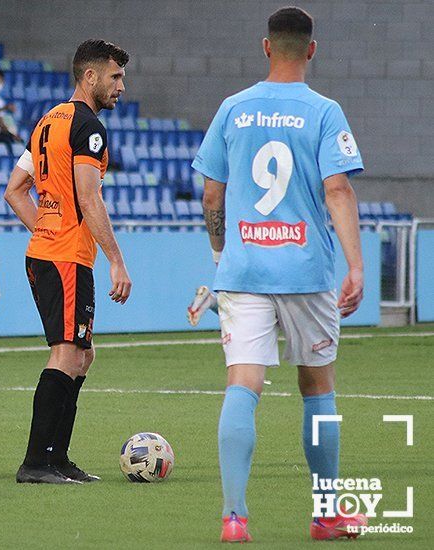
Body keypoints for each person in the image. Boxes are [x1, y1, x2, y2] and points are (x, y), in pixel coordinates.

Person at [191, 7, 367, 543]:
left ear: (266, 47)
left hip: (243, 268)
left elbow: (212, 192)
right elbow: (338, 189)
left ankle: (234, 517)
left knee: (244, 382)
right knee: (317, 385)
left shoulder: (233, 108)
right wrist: (355, 264)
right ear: (311, 50)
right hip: (306, 270)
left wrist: (222, 251)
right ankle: (326, 514)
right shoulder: (324, 111)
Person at [4, 40, 132, 484]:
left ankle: (56, 457)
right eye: (115, 77)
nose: (121, 86)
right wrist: (116, 260)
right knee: (65, 354)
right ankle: (36, 462)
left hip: (48, 254)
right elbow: (88, 195)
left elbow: (14, 189)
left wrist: (44, 227)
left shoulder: (47, 122)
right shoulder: (88, 127)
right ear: (90, 76)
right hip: (64, 259)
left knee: (82, 355)